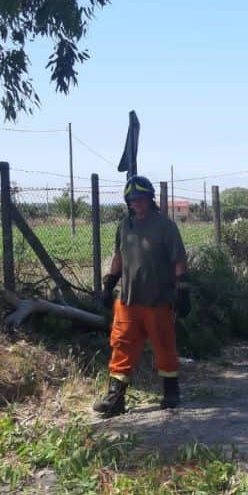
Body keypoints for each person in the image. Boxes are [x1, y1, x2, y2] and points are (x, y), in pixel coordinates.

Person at [93, 175, 189, 417]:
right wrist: (109, 284)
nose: (137, 203)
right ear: (128, 202)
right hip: (127, 300)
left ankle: (170, 392)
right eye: (133, 200)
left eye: (142, 199)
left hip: (158, 300)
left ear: (150, 199)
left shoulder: (166, 227)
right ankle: (115, 399)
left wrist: (183, 290)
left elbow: (179, 261)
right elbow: (119, 257)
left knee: (164, 345)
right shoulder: (125, 225)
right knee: (121, 346)